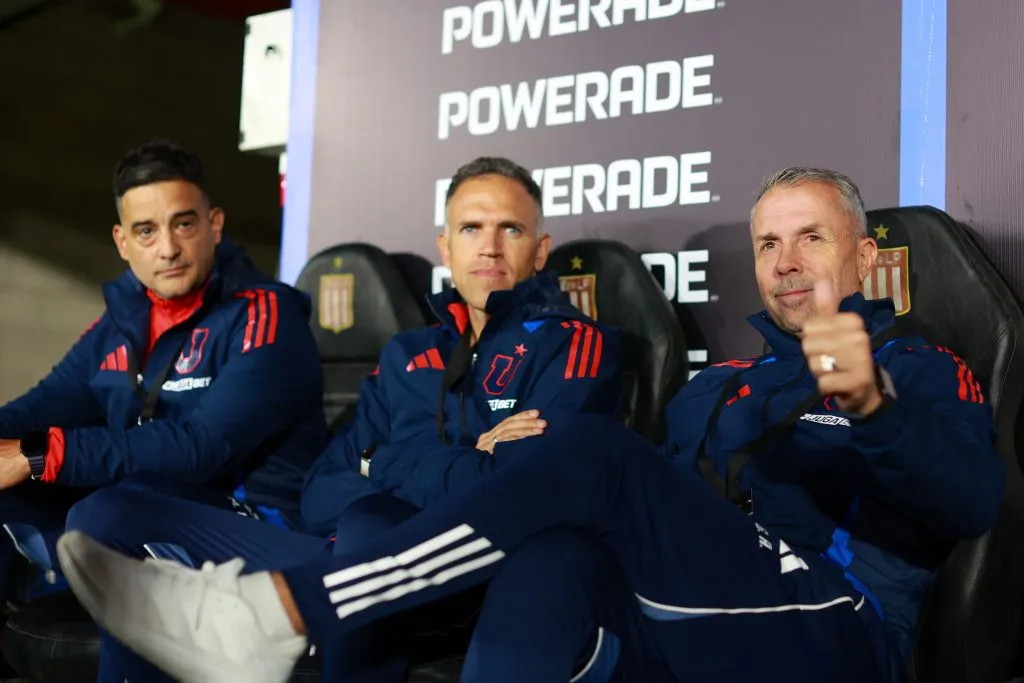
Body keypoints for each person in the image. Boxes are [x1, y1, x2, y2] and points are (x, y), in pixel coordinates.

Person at [57, 167, 1003, 683]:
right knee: (554, 548)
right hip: (699, 600)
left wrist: (872, 406)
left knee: (585, 454)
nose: (788, 262)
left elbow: (974, 499)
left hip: (838, 623)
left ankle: (280, 612)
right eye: (768, 242)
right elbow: (669, 502)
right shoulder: (722, 385)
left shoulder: (920, 368)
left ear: (867, 252)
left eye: (813, 238)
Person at [63, 155, 623, 682]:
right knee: (113, 510)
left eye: (512, 230)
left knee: (373, 519)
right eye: (472, 229)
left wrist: (379, 461)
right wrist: (461, 458)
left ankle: (303, 614)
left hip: (462, 573)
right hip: (341, 561)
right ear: (445, 248)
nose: (490, 248)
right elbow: (321, 490)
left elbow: (511, 491)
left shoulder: (575, 346)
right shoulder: (408, 354)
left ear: (541, 250)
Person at [0, 140, 326, 595]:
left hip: (256, 525)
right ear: (123, 242)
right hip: (145, 505)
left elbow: (200, 448)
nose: (168, 248)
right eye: (147, 232)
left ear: (214, 225)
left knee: (110, 511)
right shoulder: (120, 323)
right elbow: (42, 405)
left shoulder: (268, 316)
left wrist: (41, 454)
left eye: (184, 224)